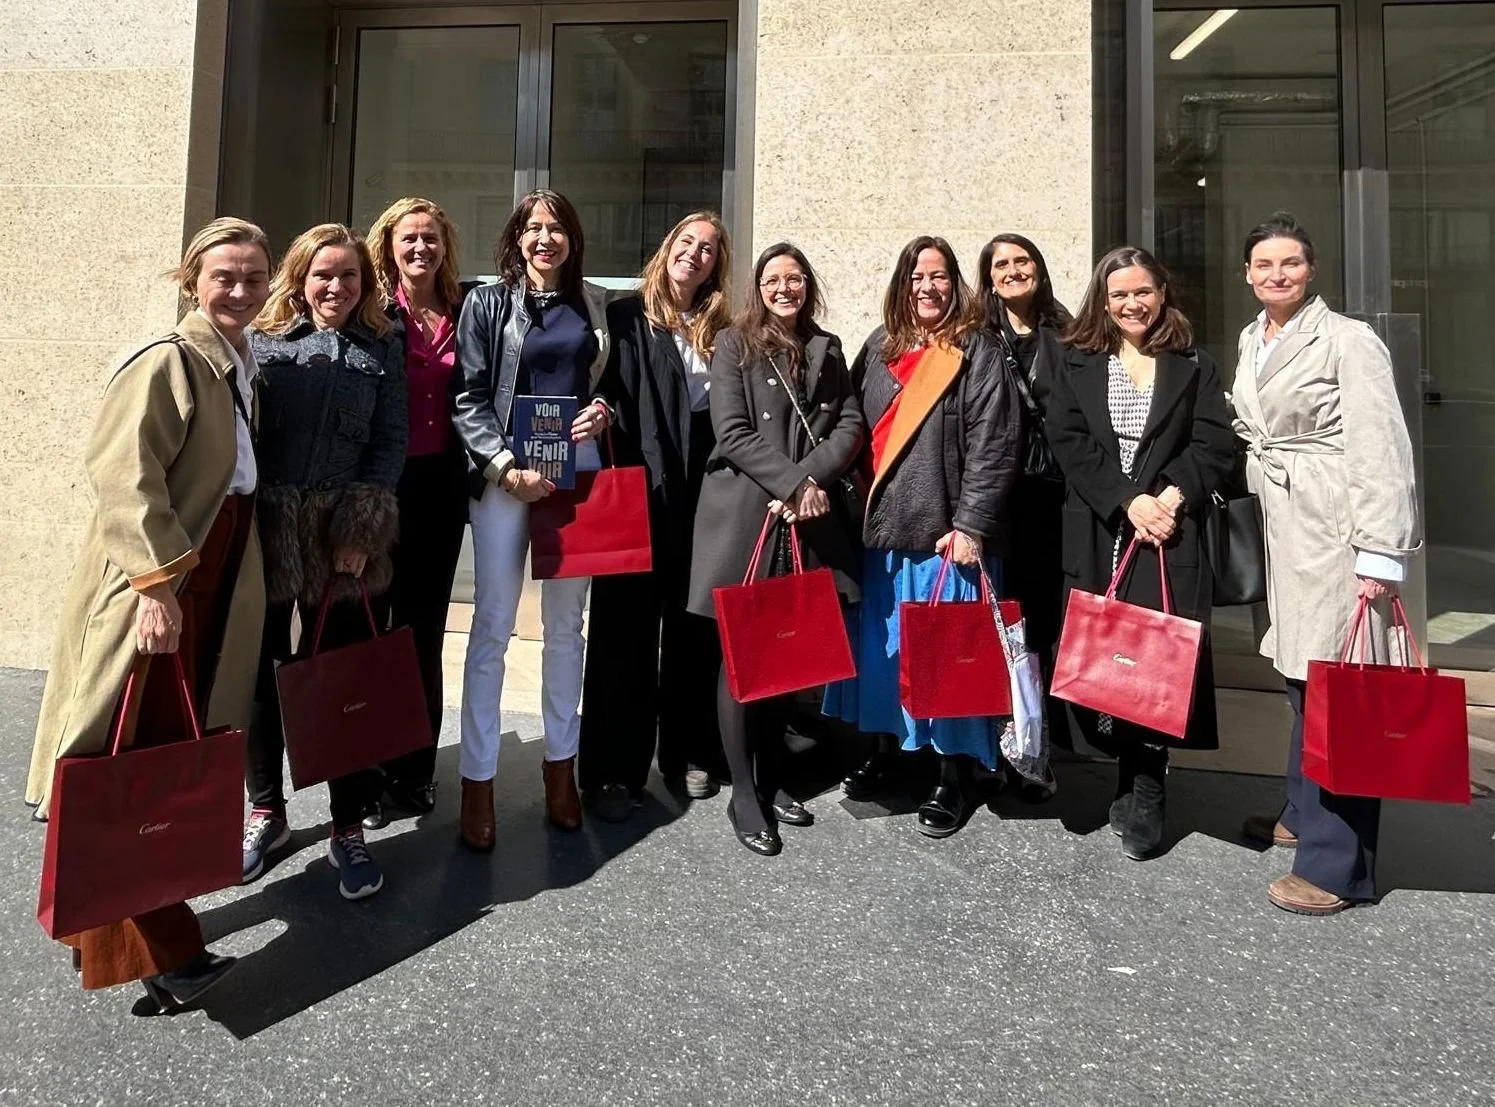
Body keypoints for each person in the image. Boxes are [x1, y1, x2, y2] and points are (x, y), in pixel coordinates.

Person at [25, 217, 271, 1012]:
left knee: (149, 760)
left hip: (208, 577)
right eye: (224, 276)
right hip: (159, 586)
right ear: (190, 280)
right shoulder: (168, 358)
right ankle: (170, 952)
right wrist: (156, 588)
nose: (239, 289)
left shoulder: (238, 361)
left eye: (252, 276)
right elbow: (125, 477)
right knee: (127, 763)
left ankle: (102, 937)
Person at [1231, 213, 1420, 916]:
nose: (1275, 274)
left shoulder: (1348, 340)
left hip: (1333, 532)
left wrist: (1379, 550)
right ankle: (1300, 812)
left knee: (1335, 691)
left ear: (1310, 269)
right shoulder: (1255, 337)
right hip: (1280, 530)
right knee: (1298, 676)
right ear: (1247, 274)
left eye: (1289, 263)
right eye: (1262, 265)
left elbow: (1382, 445)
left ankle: (1338, 864)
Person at [1040, 245, 1235, 861]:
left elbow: (1215, 443)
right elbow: (1067, 441)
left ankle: (1147, 783)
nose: (1131, 304)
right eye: (1119, 294)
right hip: (1102, 527)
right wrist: (1127, 501)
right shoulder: (1077, 361)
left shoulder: (1193, 363)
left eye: (1142, 292)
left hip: (1167, 533)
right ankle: (1115, 764)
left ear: (1162, 293)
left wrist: (1169, 498)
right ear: (1103, 298)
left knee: (1157, 661)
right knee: (1106, 656)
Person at [831, 235, 1022, 838]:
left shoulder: (976, 350)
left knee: (947, 657)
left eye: (938, 277)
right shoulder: (878, 346)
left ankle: (954, 771)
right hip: (880, 532)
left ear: (956, 283)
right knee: (885, 653)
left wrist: (971, 524)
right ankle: (888, 750)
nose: (927, 288)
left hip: (946, 538)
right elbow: (847, 424)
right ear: (900, 285)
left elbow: (997, 444)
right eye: (916, 278)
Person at [242, 224, 408, 899]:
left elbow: (389, 441)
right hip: (267, 527)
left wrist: (362, 527)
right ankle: (266, 810)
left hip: (341, 537)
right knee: (257, 674)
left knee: (339, 679)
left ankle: (346, 825)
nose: (336, 287)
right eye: (323, 275)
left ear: (365, 283)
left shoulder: (381, 346)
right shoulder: (262, 339)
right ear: (300, 278)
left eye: (348, 276)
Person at [686, 243, 864, 857]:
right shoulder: (734, 343)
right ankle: (743, 791)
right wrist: (792, 484)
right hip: (746, 515)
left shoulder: (827, 346)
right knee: (742, 656)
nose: (783, 288)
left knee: (786, 653)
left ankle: (776, 775)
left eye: (794, 279)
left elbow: (849, 423)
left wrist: (808, 483)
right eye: (772, 278)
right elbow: (731, 432)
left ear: (807, 286)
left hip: (804, 518)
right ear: (758, 287)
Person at [451, 189, 612, 850]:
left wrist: (604, 411)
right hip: (505, 479)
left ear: (572, 238)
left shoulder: (596, 303)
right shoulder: (486, 303)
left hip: (577, 477)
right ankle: (478, 781)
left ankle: (559, 772)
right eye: (533, 228)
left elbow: (610, 384)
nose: (545, 239)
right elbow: (466, 394)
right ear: (516, 238)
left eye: (556, 229)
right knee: (491, 624)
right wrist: (501, 464)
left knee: (566, 627)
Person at [579, 212, 733, 821]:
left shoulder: (723, 329)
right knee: (625, 634)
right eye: (687, 243)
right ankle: (613, 772)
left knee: (695, 627)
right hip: (640, 490)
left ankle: (687, 753)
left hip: (704, 495)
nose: (694, 255)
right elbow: (602, 384)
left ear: (717, 266)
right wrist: (596, 406)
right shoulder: (624, 315)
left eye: (709, 250)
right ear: (667, 248)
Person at [360, 197, 475, 829]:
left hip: (441, 488)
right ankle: (370, 776)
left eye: (431, 237)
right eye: (409, 237)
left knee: (423, 632)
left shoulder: (464, 312)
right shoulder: (373, 312)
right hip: (382, 487)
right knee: (376, 630)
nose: (420, 248)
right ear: (389, 244)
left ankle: (416, 769)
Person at [976, 233, 1073, 791]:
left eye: (1022, 261)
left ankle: (1035, 744)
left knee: (1038, 623)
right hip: (994, 498)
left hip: (1049, 497)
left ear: (1039, 266)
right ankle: (991, 737)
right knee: (994, 621)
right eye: (1001, 264)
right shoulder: (976, 338)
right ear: (988, 278)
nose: (1014, 271)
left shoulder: (1068, 332)